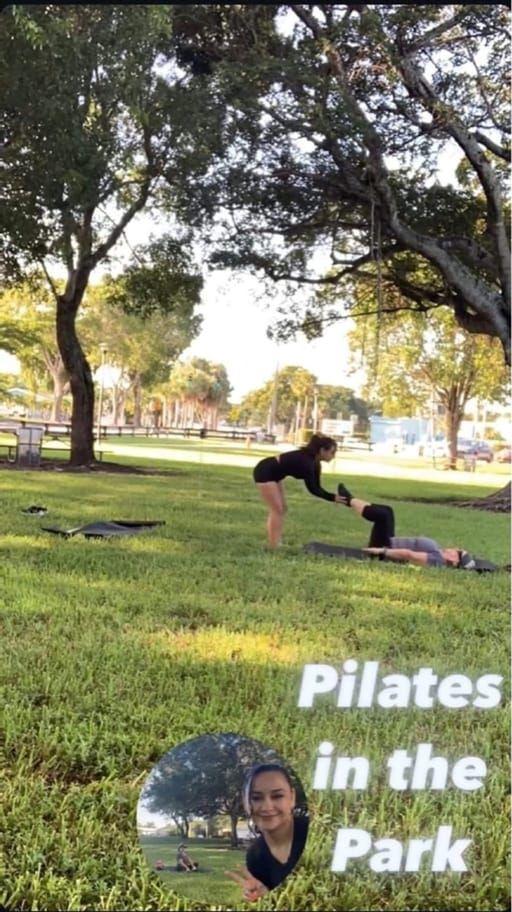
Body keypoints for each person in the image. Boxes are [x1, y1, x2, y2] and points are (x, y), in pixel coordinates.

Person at [336, 483, 477, 569]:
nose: (455, 549)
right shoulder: (438, 553)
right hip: (389, 540)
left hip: (385, 545)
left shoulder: (437, 560)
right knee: (387, 511)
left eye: (458, 552)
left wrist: (381, 551)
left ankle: (349, 499)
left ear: (454, 560)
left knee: (383, 516)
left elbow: (409, 555)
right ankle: (349, 500)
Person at [226, 763, 308, 902]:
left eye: (277, 796)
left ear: (292, 797)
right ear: (248, 804)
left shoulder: (312, 832)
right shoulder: (255, 857)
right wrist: (263, 896)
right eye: (257, 798)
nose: (267, 807)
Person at [253, 434, 347, 548]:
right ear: (322, 450)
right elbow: (313, 490)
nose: (333, 456)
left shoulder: (314, 463)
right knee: (277, 510)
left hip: (275, 474)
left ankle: (276, 541)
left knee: (282, 509)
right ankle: (274, 545)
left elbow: (317, 486)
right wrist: (333, 498)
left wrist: (333, 497)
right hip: (265, 471)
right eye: (332, 452)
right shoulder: (306, 462)